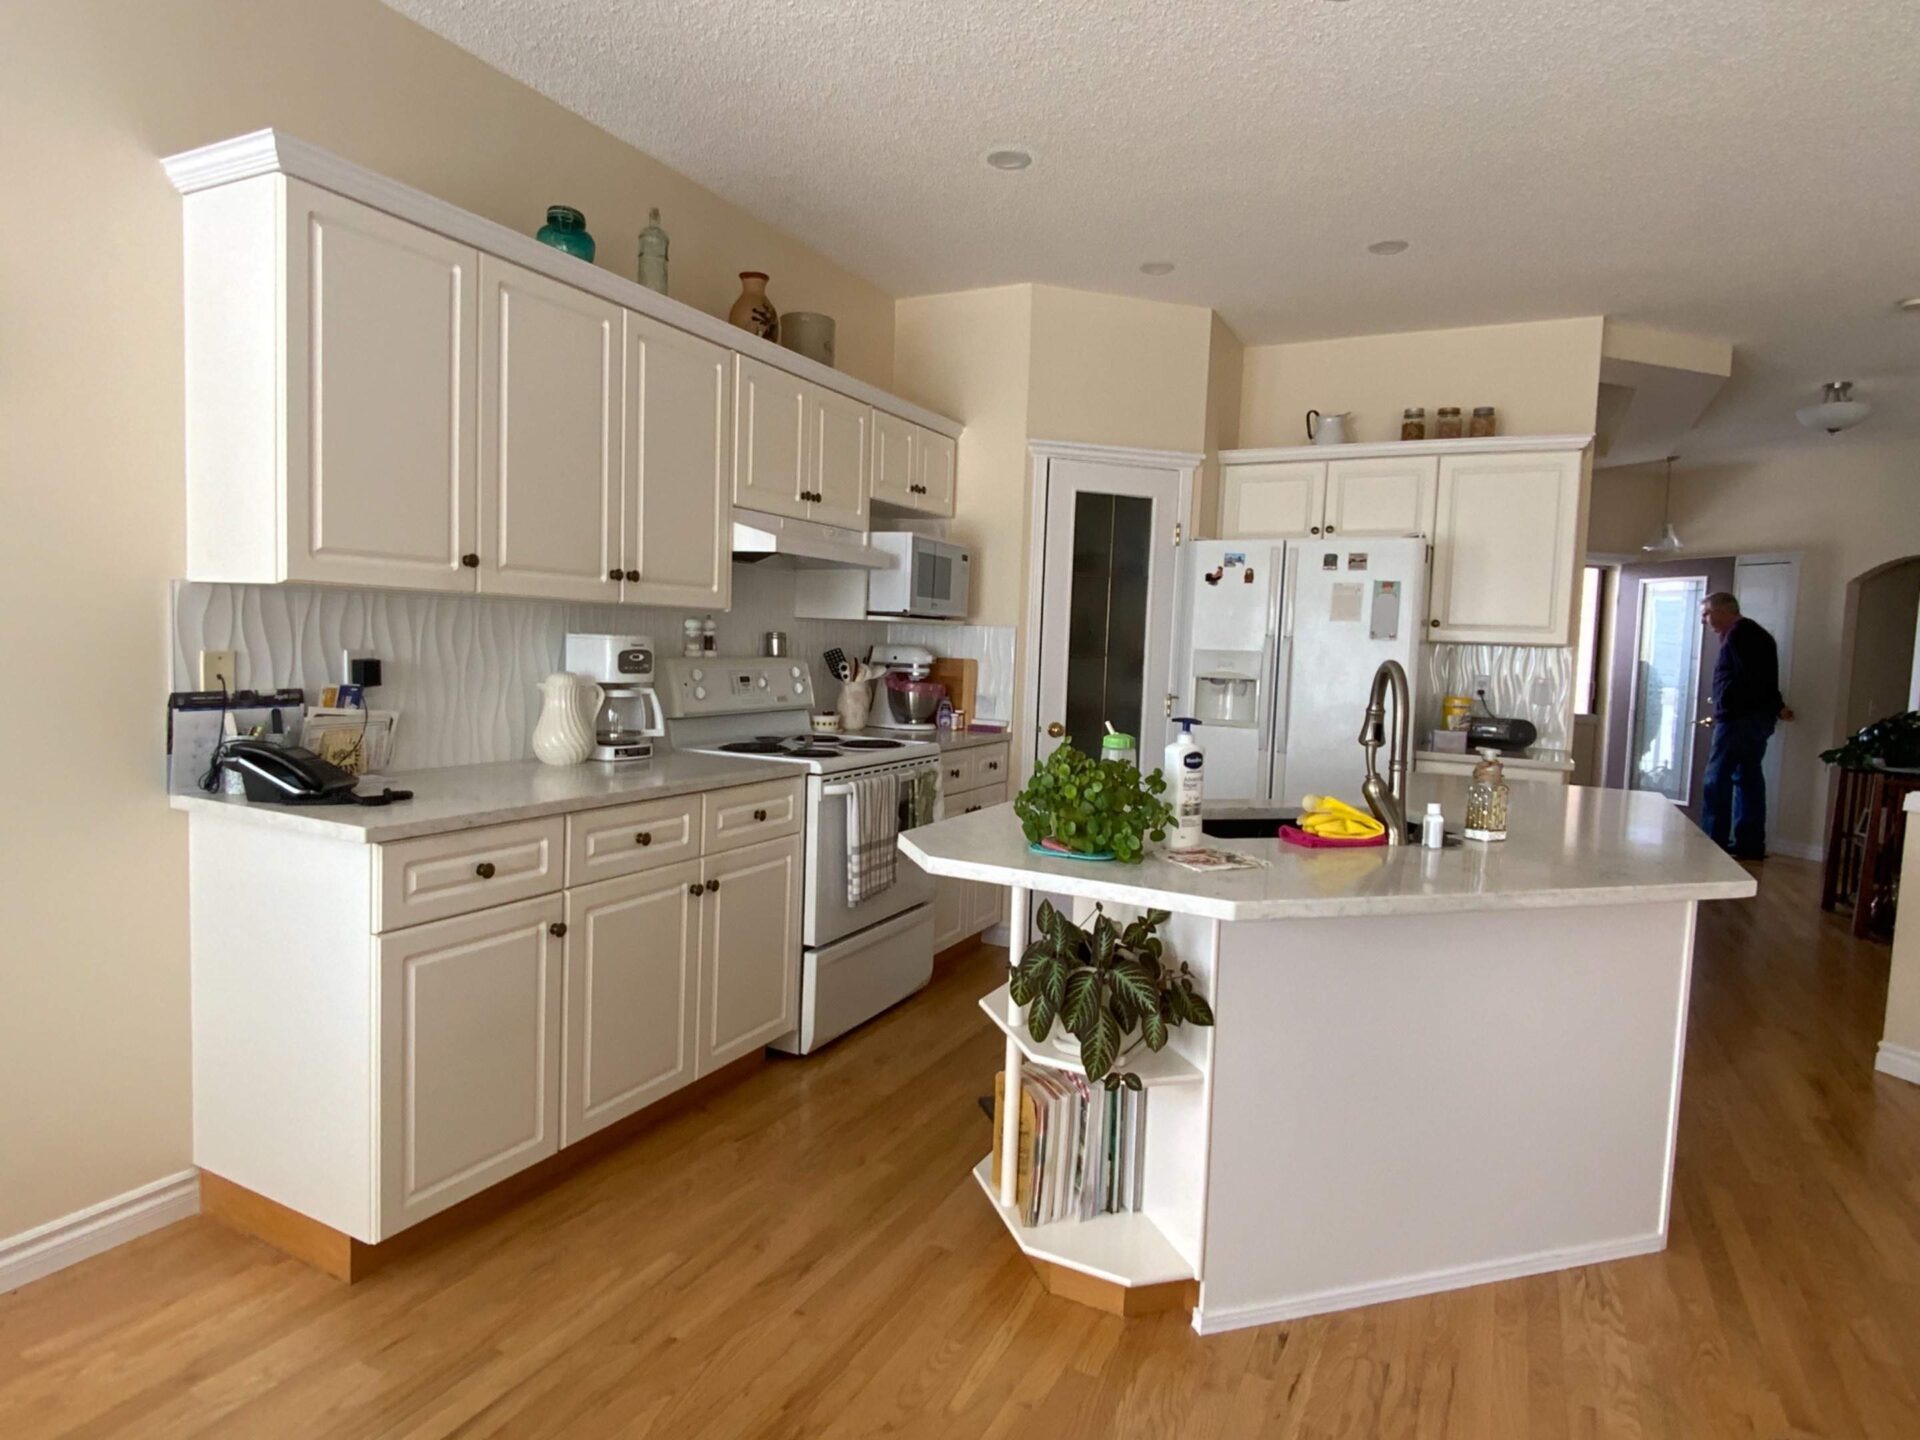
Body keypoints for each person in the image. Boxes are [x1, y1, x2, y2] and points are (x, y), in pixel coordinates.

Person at [1699, 591, 1791, 860]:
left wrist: (1726, 708)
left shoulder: (1741, 636)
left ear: (1725, 610)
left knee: (1717, 779)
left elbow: (1752, 680)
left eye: (1706, 613)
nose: (1704, 620)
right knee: (1748, 777)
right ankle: (1749, 844)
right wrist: (1776, 707)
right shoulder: (1754, 634)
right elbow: (1763, 680)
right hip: (1755, 718)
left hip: (1739, 720)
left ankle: (1712, 842)